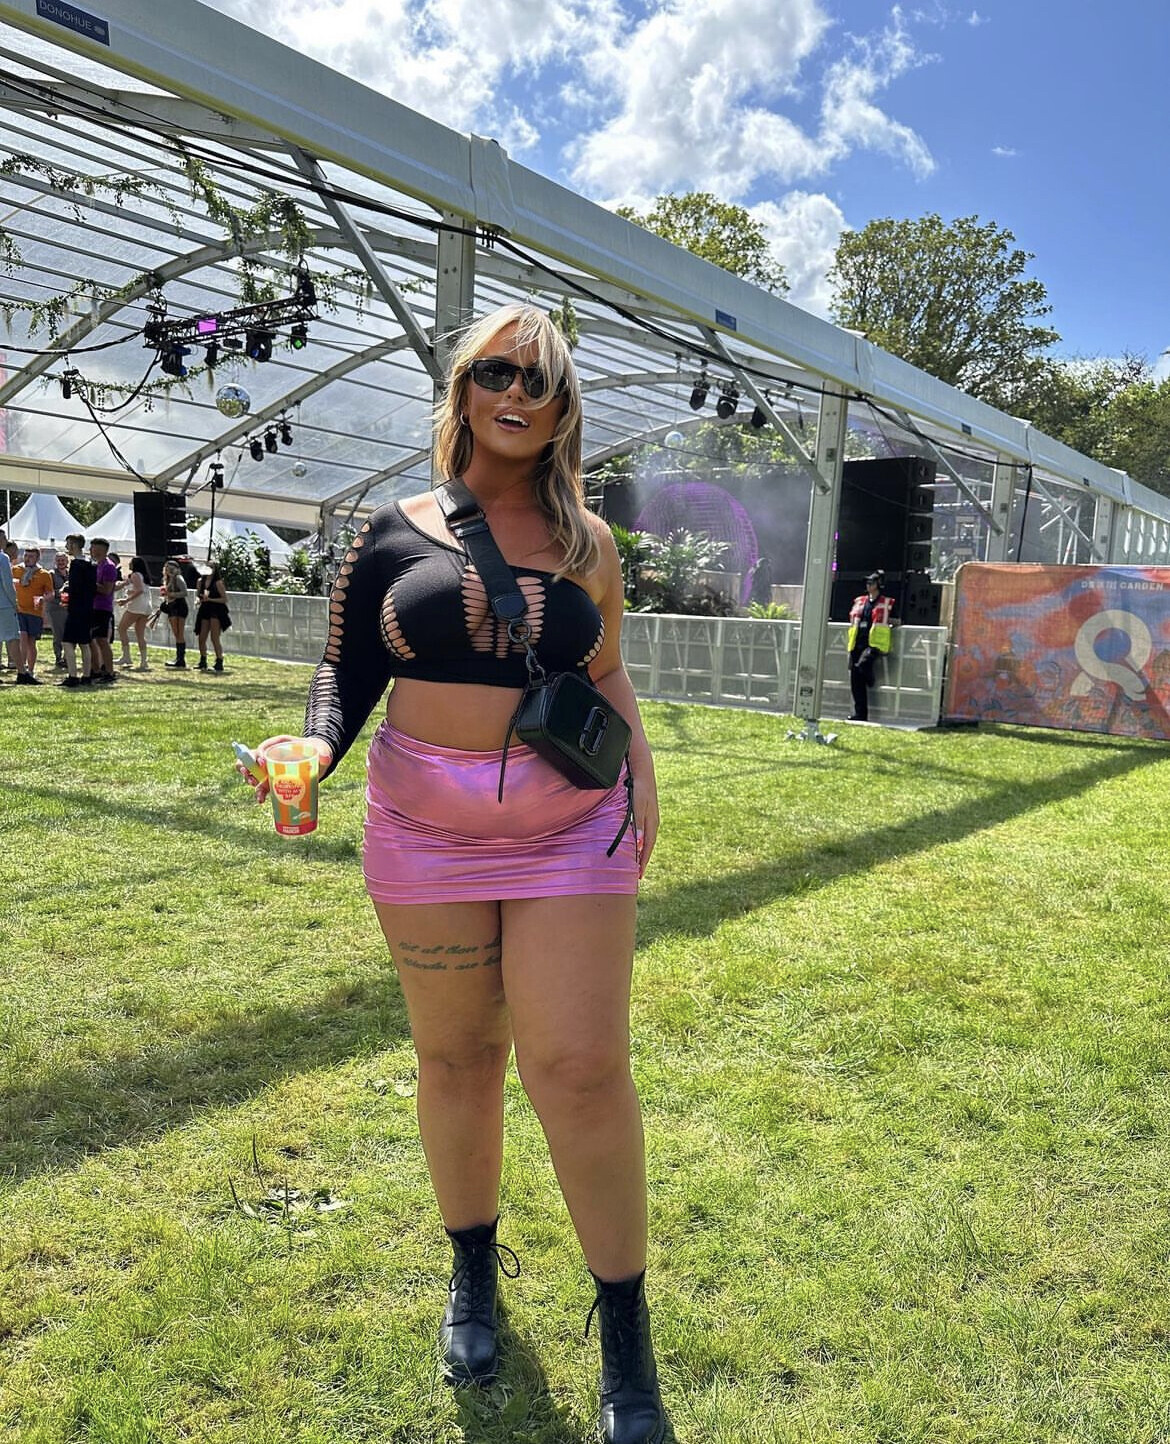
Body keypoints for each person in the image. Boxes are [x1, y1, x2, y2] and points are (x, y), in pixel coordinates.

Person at [243, 304, 666, 1443]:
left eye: (541, 378)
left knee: (580, 1068)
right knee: (459, 1057)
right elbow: (343, 671)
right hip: (421, 832)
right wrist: (311, 749)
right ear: (464, 388)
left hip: (570, 826)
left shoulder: (590, 543)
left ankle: (625, 1332)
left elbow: (607, 672)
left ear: (564, 407)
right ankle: (473, 1269)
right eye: (496, 371)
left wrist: (645, 771)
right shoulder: (390, 531)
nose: (516, 392)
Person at [847, 569, 895, 721]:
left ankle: (870, 679)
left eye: (871, 582)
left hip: (873, 644)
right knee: (856, 681)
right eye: (867, 582)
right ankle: (860, 714)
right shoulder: (860, 601)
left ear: (878, 584)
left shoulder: (886, 602)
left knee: (863, 664)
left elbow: (894, 619)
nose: (868, 585)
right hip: (857, 643)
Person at [13, 546, 55, 684]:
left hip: (35, 612)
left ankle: (30, 670)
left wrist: (43, 598)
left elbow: (51, 593)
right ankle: (22, 670)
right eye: (26, 555)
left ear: (37, 558)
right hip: (18, 610)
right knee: (22, 637)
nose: (27, 559)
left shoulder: (44, 574)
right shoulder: (16, 570)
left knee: (31, 642)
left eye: (31, 556)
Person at [60, 533, 96, 689]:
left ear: (74, 545)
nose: (67, 547)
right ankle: (86, 676)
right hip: (88, 608)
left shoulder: (76, 564)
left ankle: (73, 675)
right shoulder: (91, 563)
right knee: (84, 643)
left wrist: (66, 596)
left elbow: (75, 588)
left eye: (68, 544)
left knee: (67, 642)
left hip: (76, 609)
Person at [88, 538, 119, 684]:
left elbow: (107, 589)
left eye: (93, 548)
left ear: (101, 550)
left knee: (102, 640)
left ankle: (109, 671)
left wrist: (89, 582)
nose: (90, 551)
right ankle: (95, 669)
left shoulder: (108, 567)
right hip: (93, 607)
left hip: (102, 608)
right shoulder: (96, 565)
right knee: (91, 640)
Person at [116, 555, 154, 670]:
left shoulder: (135, 575)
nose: (129, 564)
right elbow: (139, 589)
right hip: (146, 607)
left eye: (131, 562)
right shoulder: (142, 576)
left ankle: (126, 656)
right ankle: (143, 661)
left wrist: (126, 600)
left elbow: (139, 590)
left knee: (121, 628)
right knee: (139, 633)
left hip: (137, 606)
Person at [152, 560, 189, 668]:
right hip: (172, 606)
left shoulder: (178, 578)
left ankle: (181, 659)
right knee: (176, 633)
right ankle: (179, 658)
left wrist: (171, 593)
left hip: (180, 606)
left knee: (179, 633)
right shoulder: (167, 580)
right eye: (166, 568)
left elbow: (184, 592)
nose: (168, 570)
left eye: (170, 568)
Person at [194, 562, 231, 671]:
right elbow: (198, 595)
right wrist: (198, 600)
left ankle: (219, 661)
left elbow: (224, 599)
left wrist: (210, 599)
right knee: (201, 637)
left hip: (216, 610)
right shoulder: (200, 581)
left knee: (214, 637)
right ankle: (203, 660)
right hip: (205, 609)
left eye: (212, 567)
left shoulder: (218, 583)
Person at [45, 550, 70, 668]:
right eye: (58, 560)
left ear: (67, 561)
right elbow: (48, 591)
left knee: (69, 633)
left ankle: (67, 657)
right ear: (55, 561)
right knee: (58, 634)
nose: (61, 562)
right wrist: (60, 592)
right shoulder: (51, 574)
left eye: (63, 560)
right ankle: (58, 657)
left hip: (69, 607)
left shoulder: (71, 573)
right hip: (56, 607)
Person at [0, 531, 18, 675]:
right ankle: (20, 669)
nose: (6, 540)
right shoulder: (3, 558)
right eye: (4, 537)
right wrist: (14, 602)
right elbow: (7, 584)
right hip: (4, 604)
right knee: (12, 637)